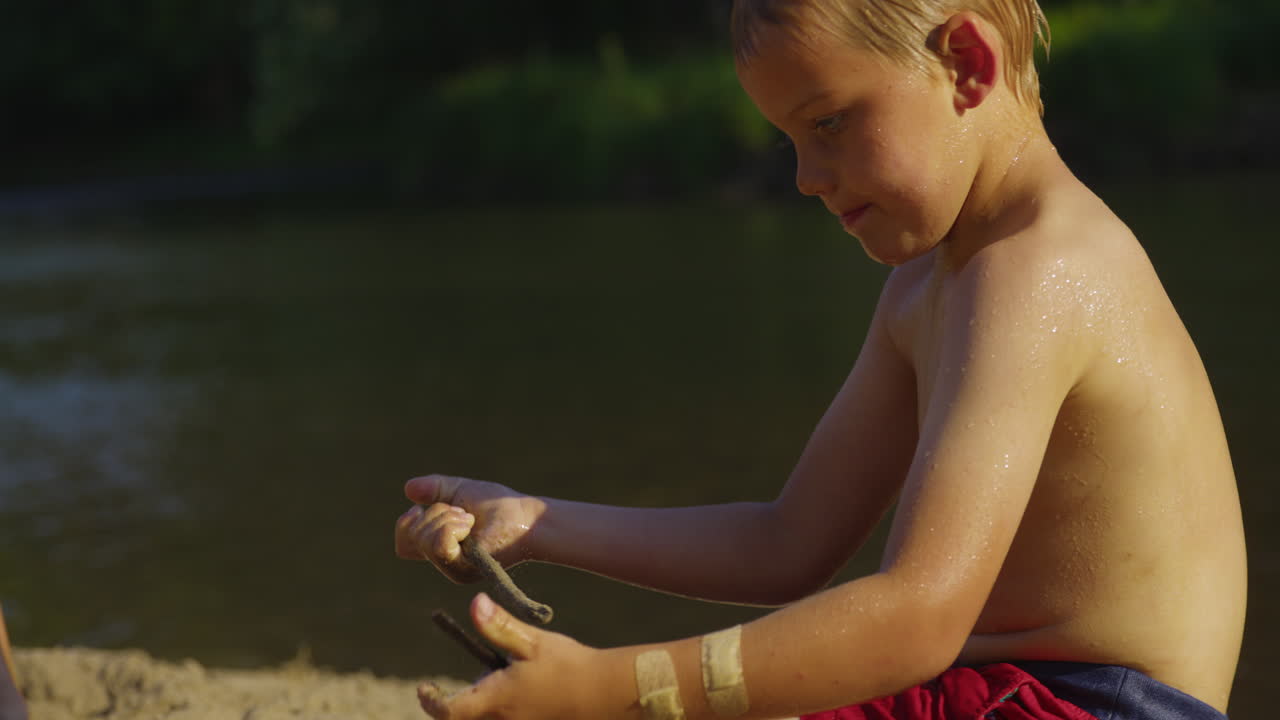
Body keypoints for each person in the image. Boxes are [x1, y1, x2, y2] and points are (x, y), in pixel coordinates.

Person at [394, 1, 1247, 718]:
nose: (805, 177)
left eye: (830, 123)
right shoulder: (927, 285)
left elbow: (919, 615)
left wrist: (618, 689)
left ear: (966, 63)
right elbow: (787, 541)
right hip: (982, 690)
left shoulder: (1039, 272)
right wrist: (538, 522)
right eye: (788, 140)